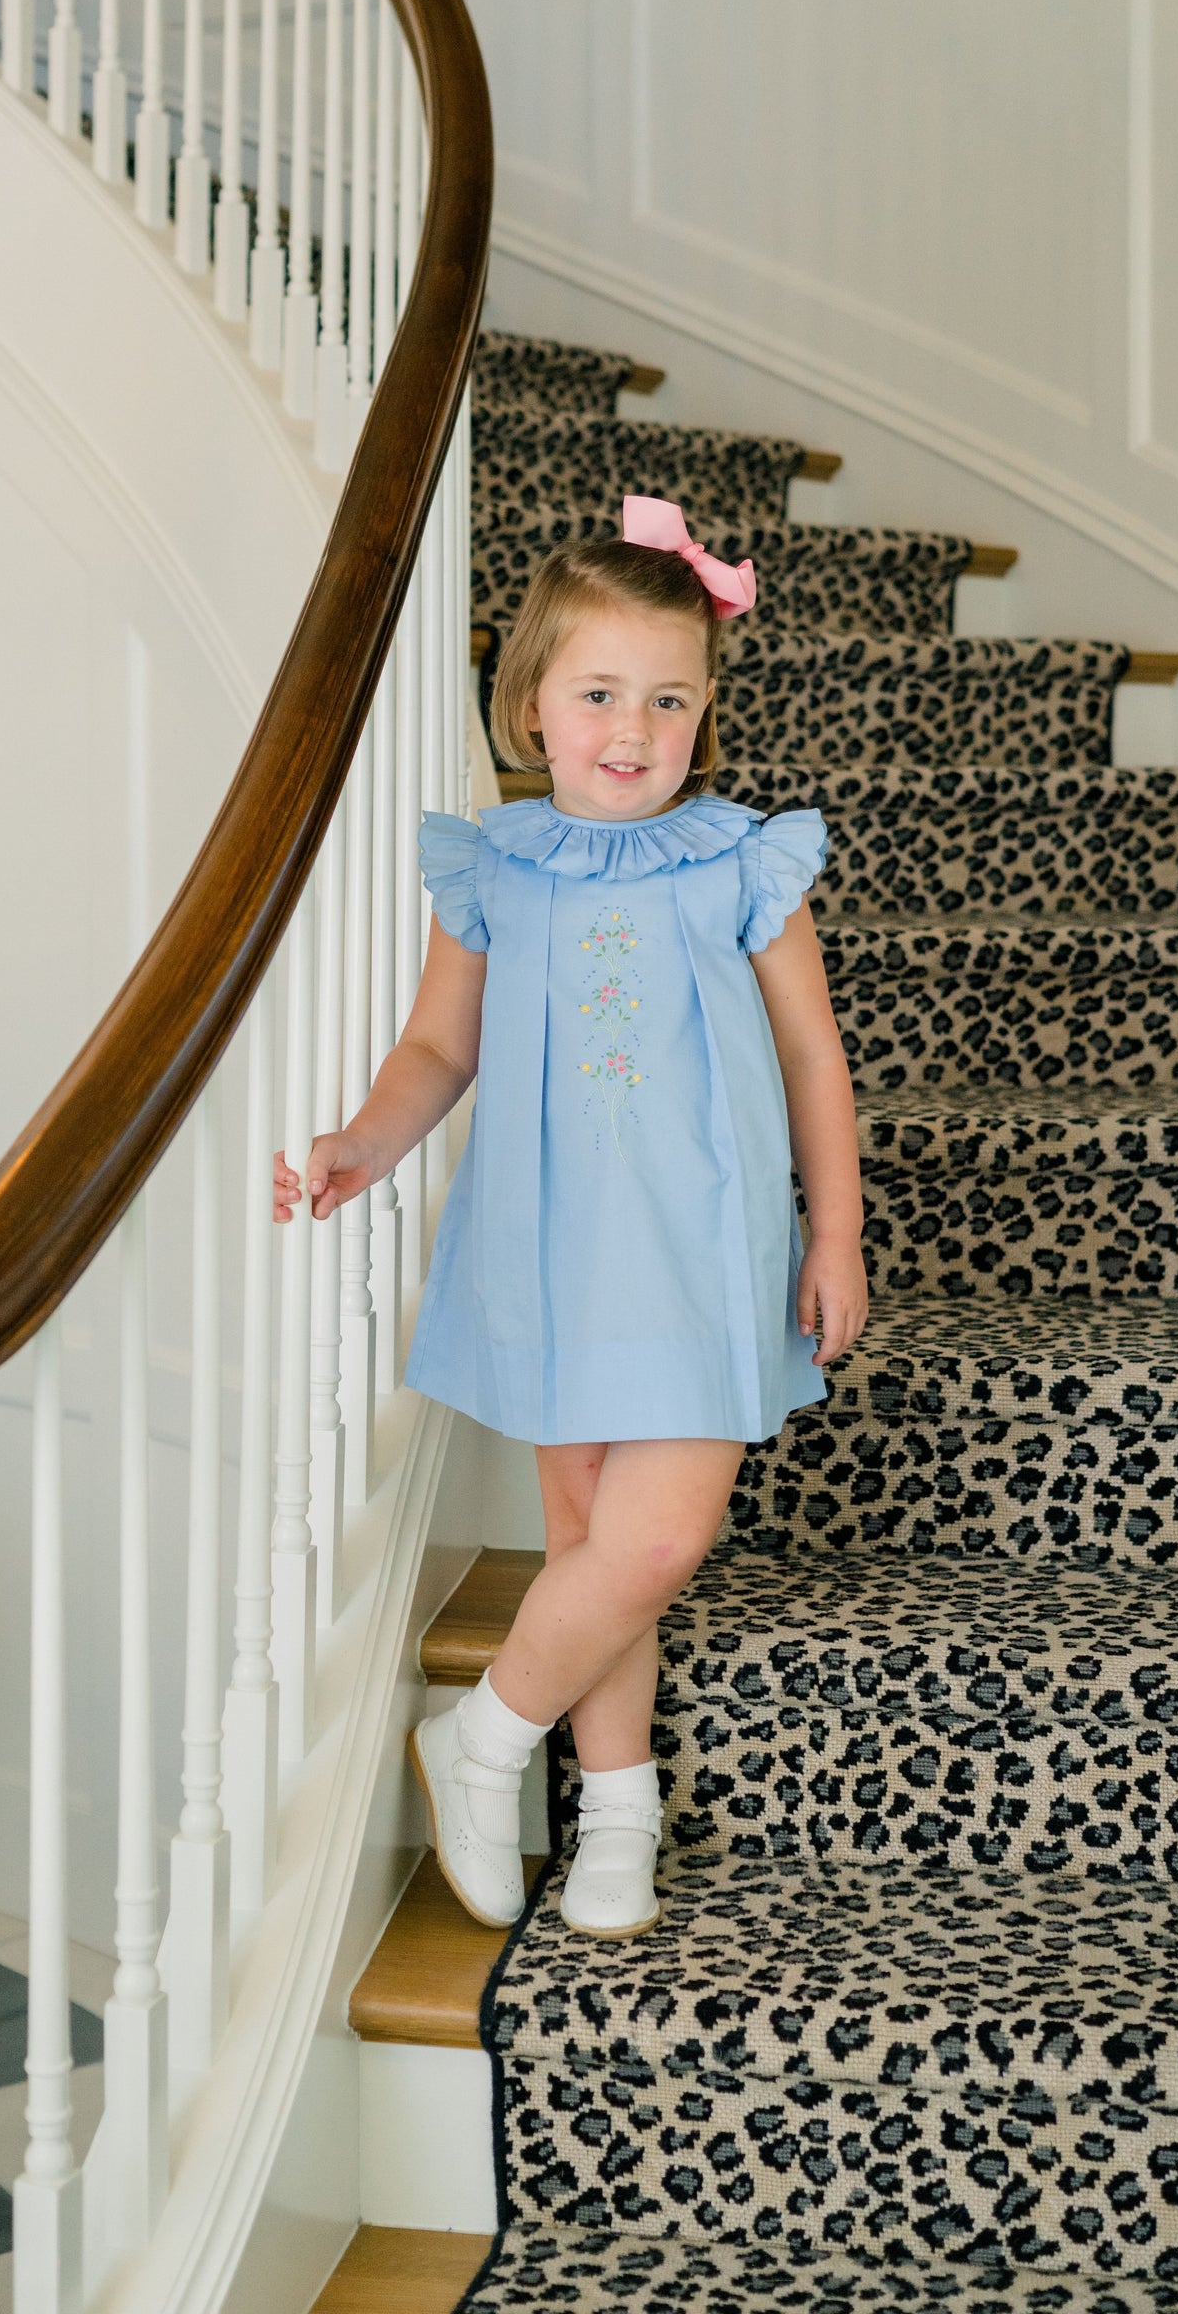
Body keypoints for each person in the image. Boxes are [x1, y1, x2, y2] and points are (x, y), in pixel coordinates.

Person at [273, 496, 868, 1939]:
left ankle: (480, 1735)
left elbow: (811, 1056)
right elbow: (440, 1047)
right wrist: (364, 1142)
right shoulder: (497, 864)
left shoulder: (739, 860)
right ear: (532, 700)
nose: (633, 728)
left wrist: (837, 1233)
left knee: (655, 1544)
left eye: (669, 699)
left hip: (704, 1251)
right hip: (551, 1249)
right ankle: (616, 1815)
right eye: (600, 693)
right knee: (592, 1544)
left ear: (705, 713)